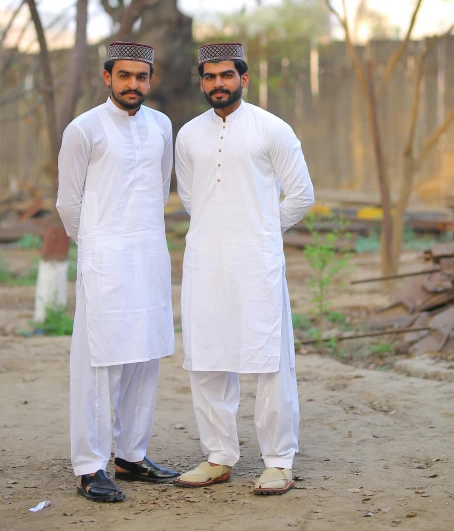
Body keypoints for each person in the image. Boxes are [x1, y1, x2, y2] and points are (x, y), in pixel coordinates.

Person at [173, 42, 314, 496]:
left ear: (244, 78)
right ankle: (219, 456)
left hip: (257, 261)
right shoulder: (189, 134)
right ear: (202, 82)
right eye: (210, 77)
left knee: (269, 358)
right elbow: (192, 197)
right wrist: (221, 230)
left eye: (227, 75)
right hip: (206, 259)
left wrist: (259, 230)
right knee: (208, 356)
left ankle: (278, 461)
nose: (219, 84)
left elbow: (301, 194)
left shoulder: (272, 128)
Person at [57, 41, 179, 503]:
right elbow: (69, 202)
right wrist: (95, 244)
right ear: (107, 77)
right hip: (104, 257)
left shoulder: (162, 126)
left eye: (141, 77)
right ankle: (90, 466)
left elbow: (161, 184)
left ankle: (130, 454)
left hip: (148, 254)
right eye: (124, 76)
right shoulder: (83, 129)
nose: (133, 85)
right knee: (100, 363)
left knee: (144, 357)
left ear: (151, 79)